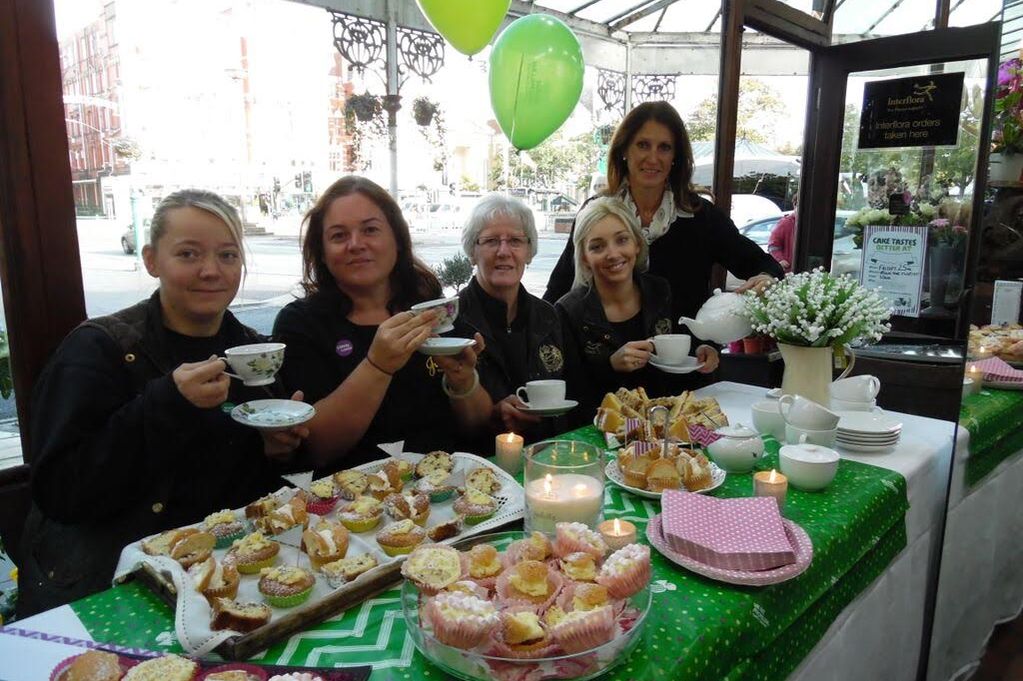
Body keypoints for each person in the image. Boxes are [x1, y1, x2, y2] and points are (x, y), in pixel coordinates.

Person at [18, 190, 308, 617]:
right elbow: (62, 492)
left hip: (231, 579)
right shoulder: (99, 350)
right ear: (152, 260)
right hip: (119, 587)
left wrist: (276, 446)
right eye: (188, 254)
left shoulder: (252, 352)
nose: (211, 271)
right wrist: (167, 402)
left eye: (228, 256)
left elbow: (243, 477)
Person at [273, 176, 492, 471]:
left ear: (398, 241)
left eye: (370, 230)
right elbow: (317, 446)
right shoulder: (300, 323)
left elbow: (478, 427)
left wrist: (464, 382)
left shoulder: (434, 311)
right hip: (352, 504)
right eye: (338, 236)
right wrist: (377, 365)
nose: (356, 244)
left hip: (446, 491)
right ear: (322, 253)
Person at [543, 102, 783, 353]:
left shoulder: (700, 217)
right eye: (643, 145)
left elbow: (763, 264)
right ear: (624, 149)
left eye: (664, 147)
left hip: (687, 369)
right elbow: (560, 288)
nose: (653, 158)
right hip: (610, 368)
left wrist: (765, 279)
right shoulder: (598, 212)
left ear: (675, 157)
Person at [556, 197, 718, 425]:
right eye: (597, 246)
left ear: (637, 244)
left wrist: (702, 351)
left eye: (622, 240)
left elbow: (686, 343)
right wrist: (610, 366)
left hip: (668, 427)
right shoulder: (568, 311)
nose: (613, 254)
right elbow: (567, 394)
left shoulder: (661, 291)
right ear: (584, 258)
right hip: (603, 433)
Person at [453, 194, 564, 444]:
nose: (504, 252)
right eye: (491, 241)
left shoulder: (548, 316)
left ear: (529, 252)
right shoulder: (452, 324)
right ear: (472, 252)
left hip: (545, 456)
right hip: (479, 465)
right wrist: (493, 414)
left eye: (515, 241)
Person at [769, 192, 797, 273]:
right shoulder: (785, 223)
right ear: (795, 205)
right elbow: (773, 245)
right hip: (789, 271)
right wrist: (780, 260)